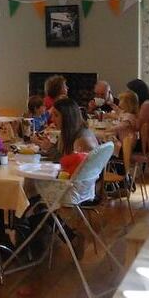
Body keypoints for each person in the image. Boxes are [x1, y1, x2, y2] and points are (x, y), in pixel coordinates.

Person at [29, 97, 98, 258]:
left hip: (73, 189)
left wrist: (49, 148)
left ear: (67, 116)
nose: (52, 119)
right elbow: (67, 161)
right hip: (81, 186)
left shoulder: (82, 140)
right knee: (33, 199)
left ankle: (35, 247)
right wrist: (49, 148)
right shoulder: (78, 133)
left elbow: (67, 165)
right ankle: (45, 242)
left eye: (56, 115)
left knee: (31, 200)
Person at [126, 79, 149, 155]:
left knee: (121, 146)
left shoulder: (147, 105)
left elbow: (137, 127)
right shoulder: (144, 104)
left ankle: (122, 164)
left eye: (129, 92)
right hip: (145, 141)